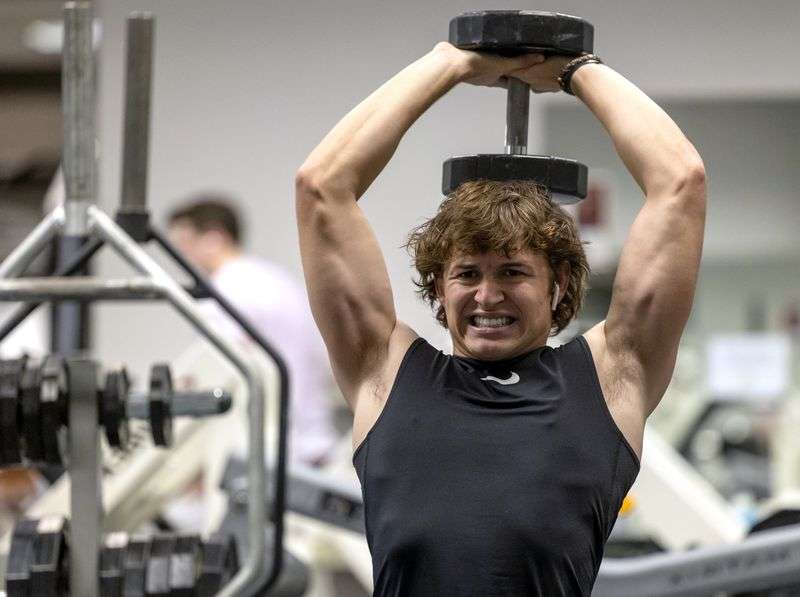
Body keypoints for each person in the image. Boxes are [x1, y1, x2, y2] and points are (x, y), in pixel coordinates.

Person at [295, 41, 706, 596]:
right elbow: (321, 187)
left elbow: (680, 183)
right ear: (439, 285)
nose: (487, 296)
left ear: (557, 284)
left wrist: (576, 70)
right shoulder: (385, 374)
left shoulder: (611, 377)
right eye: (467, 274)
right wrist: (452, 63)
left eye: (513, 272)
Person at [167, 196, 339, 467]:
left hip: (270, 448)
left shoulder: (223, 291)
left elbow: (218, 374)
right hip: (313, 439)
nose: (181, 257)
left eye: (185, 245)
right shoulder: (276, 279)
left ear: (214, 238)